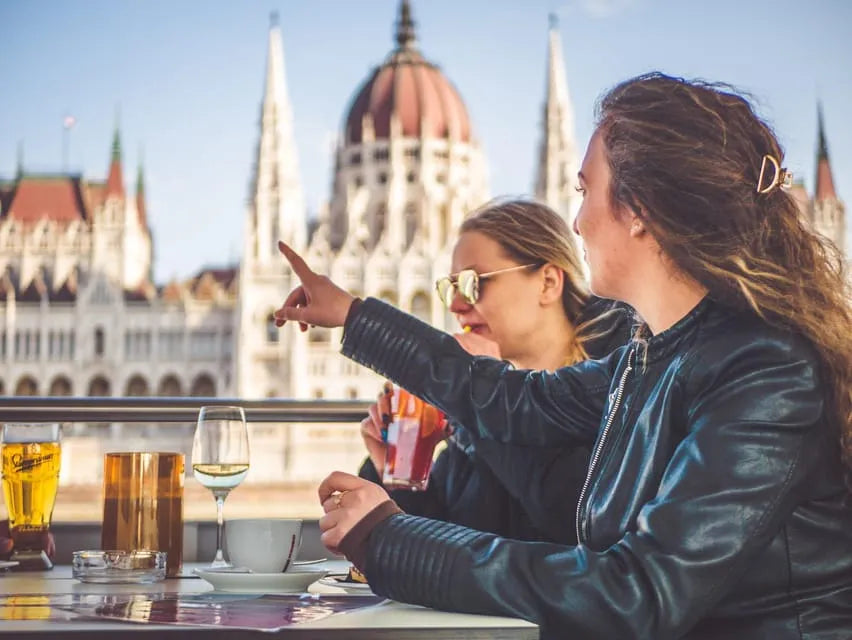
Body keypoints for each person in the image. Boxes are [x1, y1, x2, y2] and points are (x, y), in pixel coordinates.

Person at [274, 72, 852, 639]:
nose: (575, 222)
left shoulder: (769, 372)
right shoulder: (648, 358)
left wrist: (388, 539)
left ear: (640, 210)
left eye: (584, 191)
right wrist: (353, 316)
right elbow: (511, 400)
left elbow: (636, 594)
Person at [357, 199, 630, 544]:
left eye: (474, 282)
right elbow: (454, 547)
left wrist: (481, 392)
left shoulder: (619, 382)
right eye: (451, 288)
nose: (457, 305)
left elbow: (578, 524)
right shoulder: (473, 404)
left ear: (547, 282)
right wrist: (402, 480)